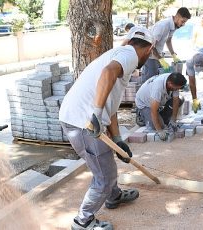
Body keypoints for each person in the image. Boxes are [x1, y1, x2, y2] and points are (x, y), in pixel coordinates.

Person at [59, 27, 154, 230]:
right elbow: (107, 73)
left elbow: (110, 109)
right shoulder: (129, 54)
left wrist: (118, 139)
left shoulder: (121, 56)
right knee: (105, 175)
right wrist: (96, 112)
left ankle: (113, 195)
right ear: (149, 49)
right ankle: (83, 221)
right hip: (83, 121)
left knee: (105, 162)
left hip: (78, 117)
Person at [141, 7, 191, 83]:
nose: (183, 24)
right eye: (182, 21)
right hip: (149, 57)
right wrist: (161, 59)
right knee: (149, 82)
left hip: (156, 56)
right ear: (177, 16)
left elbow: (168, 40)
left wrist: (173, 55)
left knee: (157, 80)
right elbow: (150, 45)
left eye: (185, 22)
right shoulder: (163, 25)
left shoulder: (174, 26)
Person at [135, 72, 186, 141]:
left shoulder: (174, 80)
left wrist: (173, 119)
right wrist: (159, 130)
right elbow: (153, 111)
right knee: (158, 126)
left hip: (157, 101)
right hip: (145, 104)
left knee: (180, 100)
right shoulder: (158, 88)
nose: (177, 90)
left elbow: (176, 101)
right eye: (176, 88)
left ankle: (160, 116)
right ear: (170, 84)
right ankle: (141, 115)